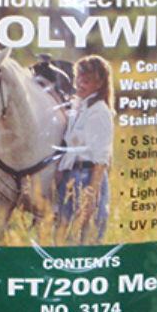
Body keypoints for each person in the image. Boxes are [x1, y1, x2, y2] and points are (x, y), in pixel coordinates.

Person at [57, 55, 114, 244]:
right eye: (78, 78)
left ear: (99, 84)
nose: (80, 84)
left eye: (86, 80)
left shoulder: (99, 111)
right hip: (71, 177)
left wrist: (91, 196)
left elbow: (101, 160)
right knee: (64, 239)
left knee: (87, 239)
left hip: (87, 177)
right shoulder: (79, 107)